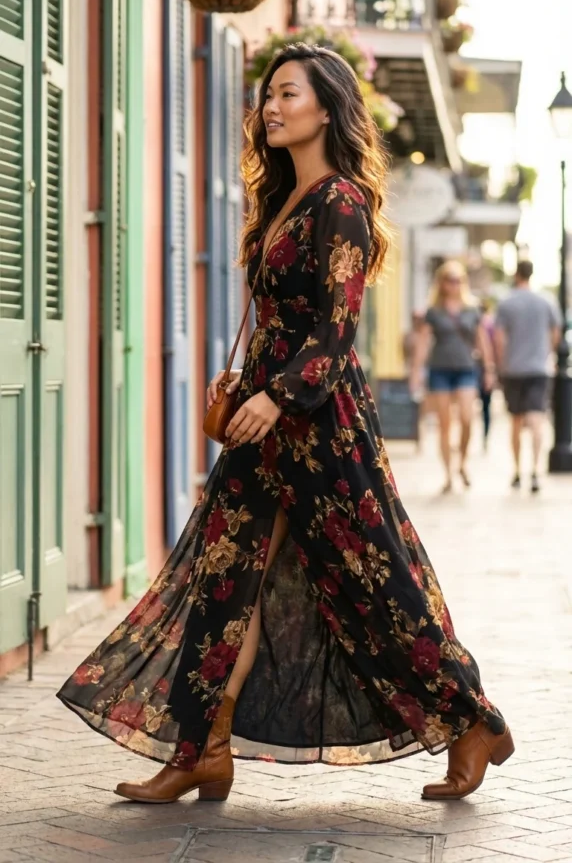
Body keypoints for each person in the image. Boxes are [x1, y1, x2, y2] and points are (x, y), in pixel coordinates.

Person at [57, 43, 512, 806]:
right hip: (260, 423)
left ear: (329, 108)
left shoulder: (341, 202)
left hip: (319, 425)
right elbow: (278, 319)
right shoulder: (285, 203)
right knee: (222, 580)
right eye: (267, 96)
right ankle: (200, 750)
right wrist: (243, 390)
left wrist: (280, 397)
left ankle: (473, 719)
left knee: (375, 583)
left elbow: (337, 332)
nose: (270, 106)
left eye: (288, 94)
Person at [410, 262, 496, 493]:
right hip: (440, 370)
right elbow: (424, 342)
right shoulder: (433, 311)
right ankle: (448, 475)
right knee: (445, 425)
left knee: (468, 419)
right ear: (441, 282)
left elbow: (482, 341)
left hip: (466, 369)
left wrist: (489, 369)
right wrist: (416, 372)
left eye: (458, 279)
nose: (454, 284)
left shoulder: (472, 309)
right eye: (449, 279)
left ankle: (463, 463)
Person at [495, 260, 562, 493]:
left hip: (513, 369)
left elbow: (500, 338)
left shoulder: (506, 302)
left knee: (515, 420)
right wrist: (548, 354)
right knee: (536, 420)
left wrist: (501, 364)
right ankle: (534, 470)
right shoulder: (546, 301)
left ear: (516, 274)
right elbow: (556, 332)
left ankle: (516, 471)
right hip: (538, 369)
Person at [477, 300, 497, 450]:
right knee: (486, 406)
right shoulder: (491, 323)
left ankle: (483, 437)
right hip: (484, 368)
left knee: (483, 405)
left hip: (479, 367)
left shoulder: (485, 324)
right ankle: (485, 436)